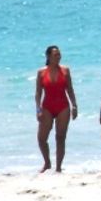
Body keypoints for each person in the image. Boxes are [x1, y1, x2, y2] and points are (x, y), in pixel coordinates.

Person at [34, 45, 78, 173]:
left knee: (60, 137)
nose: (58, 57)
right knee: (42, 138)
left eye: (59, 54)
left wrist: (74, 105)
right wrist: (38, 109)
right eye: (55, 55)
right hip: (47, 106)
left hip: (63, 106)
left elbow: (70, 89)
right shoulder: (41, 72)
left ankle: (58, 167)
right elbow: (38, 93)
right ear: (48, 56)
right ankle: (47, 163)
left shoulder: (65, 71)